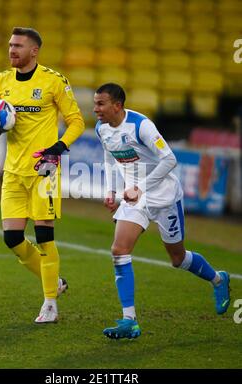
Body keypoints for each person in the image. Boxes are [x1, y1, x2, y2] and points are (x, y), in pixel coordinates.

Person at [93, 83, 230, 340]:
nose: (95, 109)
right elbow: (109, 159)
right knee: (119, 250)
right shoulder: (102, 129)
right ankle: (129, 321)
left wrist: (141, 188)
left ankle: (218, 280)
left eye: (101, 104)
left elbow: (169, 159)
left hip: (164, 196)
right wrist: (112, 190)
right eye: (95, 103)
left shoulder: (141, 125)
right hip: (135, 199)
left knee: (177, 258)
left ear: (117, 105)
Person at [0, 27, 85, 324]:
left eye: (18, 46)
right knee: (11, 238)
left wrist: (57, 148)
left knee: (44, 235)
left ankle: (50, 303)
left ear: (34, 51)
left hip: (44, 168)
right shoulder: (1, 81)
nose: (12, 50)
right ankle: (56, 282)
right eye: (10, 45)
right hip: (12, 170)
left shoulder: (53, 81)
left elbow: (76, 122)